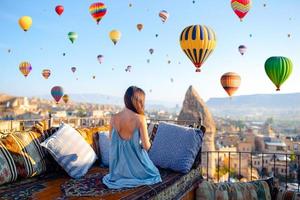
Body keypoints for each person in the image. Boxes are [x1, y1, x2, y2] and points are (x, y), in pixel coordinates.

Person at [102, 86, 162, 189]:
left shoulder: (113, 118)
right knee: (154, 174)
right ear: (139, 101)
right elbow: (146, 146)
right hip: (137, 168)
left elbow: (112, 141)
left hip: (117, 171)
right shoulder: (140, 119)